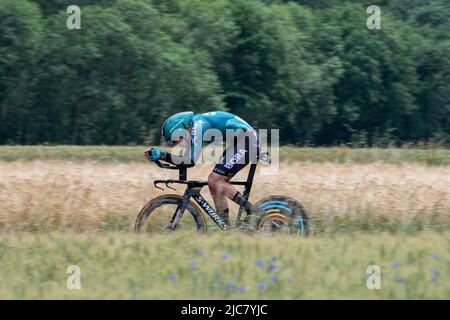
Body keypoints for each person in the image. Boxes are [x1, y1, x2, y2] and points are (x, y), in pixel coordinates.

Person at [144, 111, 260, 225]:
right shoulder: (195, 126)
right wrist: (160, 158)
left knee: (216, 180)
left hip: (248, 140)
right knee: (214, 184)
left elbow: (190, 161)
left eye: (175, 139)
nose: (175, 144)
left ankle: (253, 211)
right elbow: (184, 160)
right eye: (172, 142)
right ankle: (226, 228)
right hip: (241, 141)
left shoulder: (198, 126)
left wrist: (162, 155)